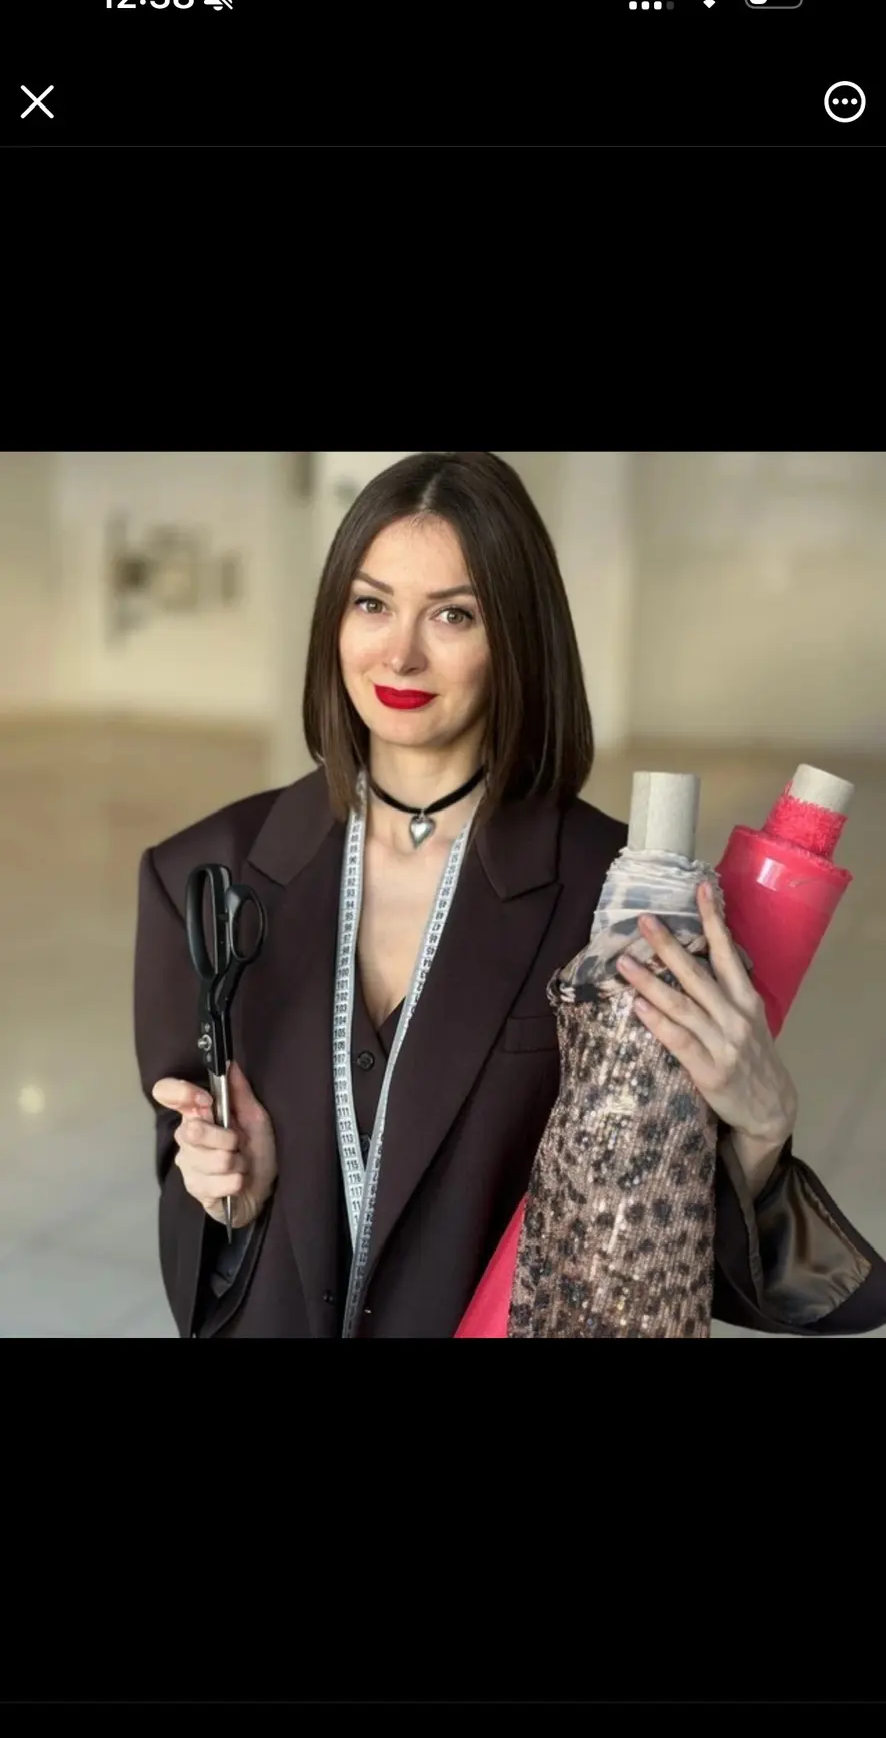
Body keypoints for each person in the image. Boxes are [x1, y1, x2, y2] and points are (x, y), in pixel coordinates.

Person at [133, 450, 886, 1339]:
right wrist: (232, 1201)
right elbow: (190, 1201)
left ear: (517, 637)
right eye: (372, 604)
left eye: (452, 614)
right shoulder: (203, 876)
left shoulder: (616, 897)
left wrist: (759, 1130)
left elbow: (650, 1234)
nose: (400, 653)